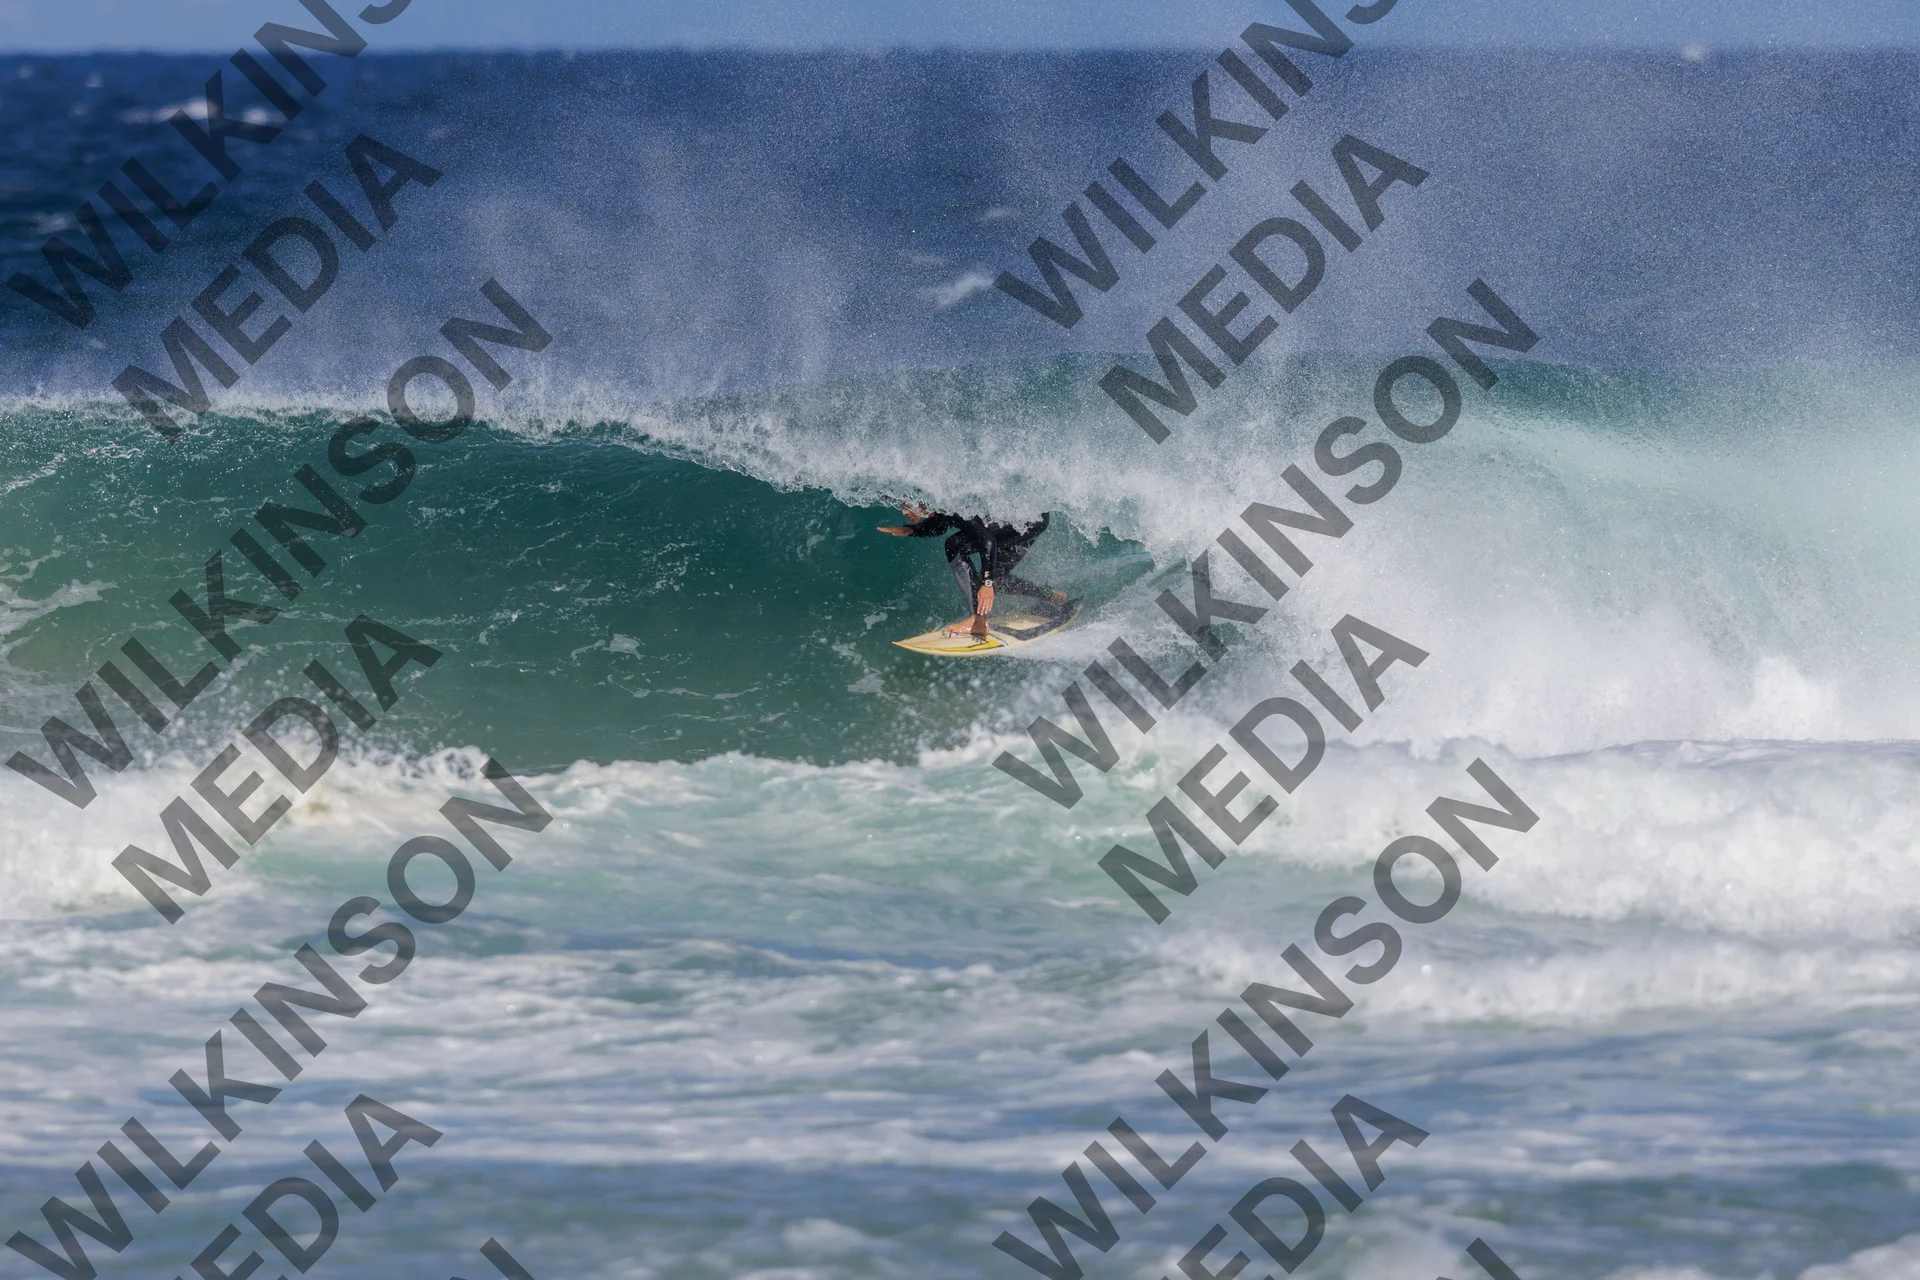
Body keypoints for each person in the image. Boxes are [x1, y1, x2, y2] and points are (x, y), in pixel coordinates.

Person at [878, 502, 1067, 637]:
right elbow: (942, 524)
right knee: (999, 579)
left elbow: (987, 540)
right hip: (1034, 517)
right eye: (902, 507)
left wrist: (987, 583)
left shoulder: (953, 503)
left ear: (920, 501)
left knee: (955, 545)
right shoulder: (939, 501)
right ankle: (1049, 595)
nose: (904, 512)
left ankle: (977, 621)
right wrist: (913, 530)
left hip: (1026, 519)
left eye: (907, 506)